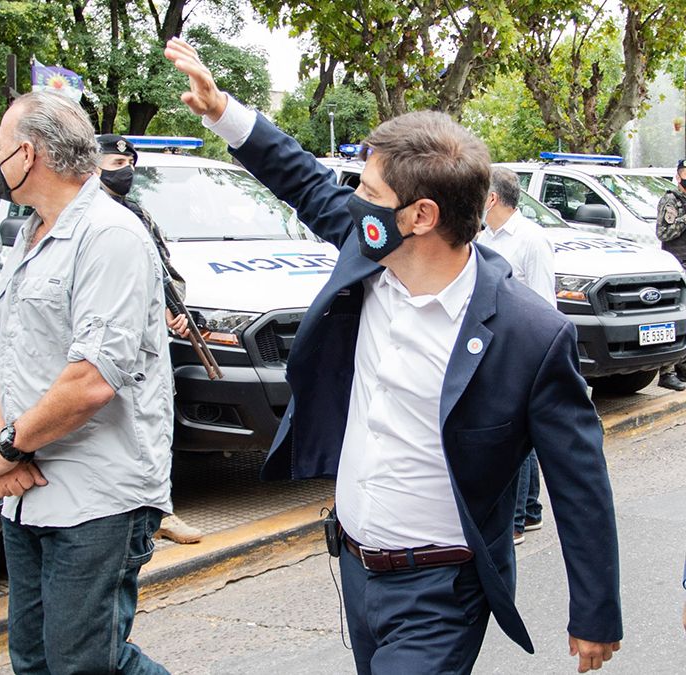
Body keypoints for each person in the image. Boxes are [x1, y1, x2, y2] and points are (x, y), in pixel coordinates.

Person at [165, 38, 622, 674]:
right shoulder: (370, 252)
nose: (354, 202)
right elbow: (303, 181)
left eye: (370, 192)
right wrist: (221, 111)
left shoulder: (529, 334)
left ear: (421, 216)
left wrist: (595, 610)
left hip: (443, 592)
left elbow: (579, 477)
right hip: (355, 570)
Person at [0, 91, 173, 674]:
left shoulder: (110, 236)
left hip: (97, 497)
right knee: (34, 661)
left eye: (1, 149)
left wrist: (9, 445)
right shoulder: (27, 236)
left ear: (28, 154)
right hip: (27, 493)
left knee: (85, 663)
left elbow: (90, 382)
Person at [96, 133, 200, 545]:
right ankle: (129, 514)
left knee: (156, 423)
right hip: (113, 342)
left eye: (130, 165)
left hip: (152, 344)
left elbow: (167, 272)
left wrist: (174, 310)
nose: (126, 172)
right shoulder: (87, 216)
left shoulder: (137, 213)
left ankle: (160, 510)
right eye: (117, 165)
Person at [479, 167, 556, 546]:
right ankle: (531, 509)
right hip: (490, 345)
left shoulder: (531, 240)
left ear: (491, 198)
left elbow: (545, 304)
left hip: (520, 349)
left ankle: (518, 521)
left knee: (515, 433)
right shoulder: (484, 236)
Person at [655, 159, 686, 390]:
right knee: (672, 319)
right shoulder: (671, 200)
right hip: (677, 266)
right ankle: (667, 372)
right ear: (678, 176)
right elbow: (664, 232)